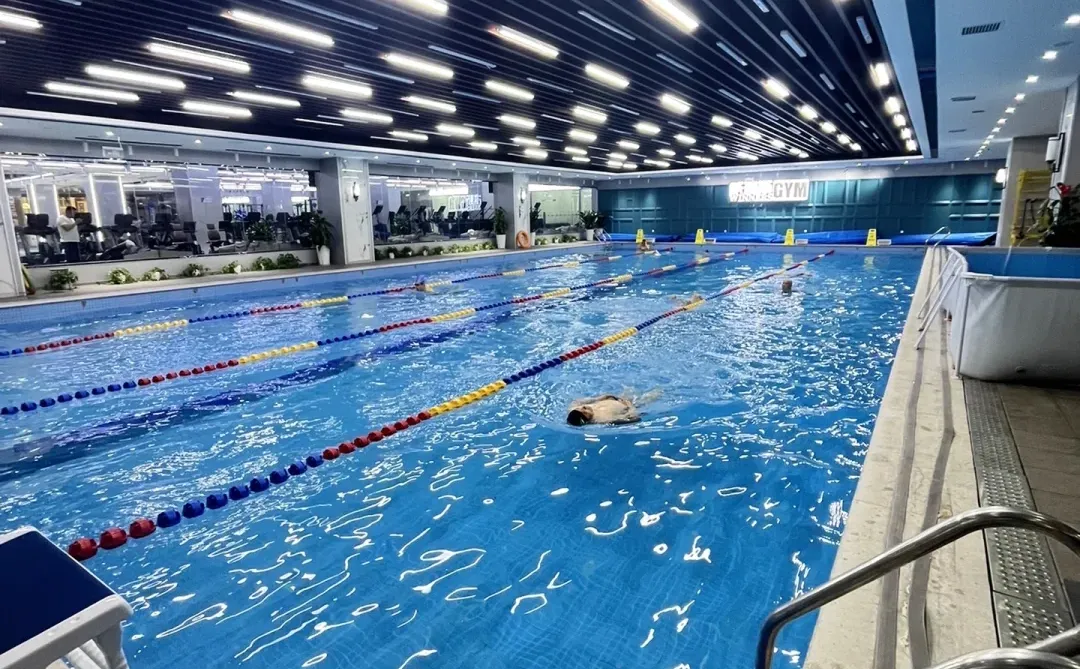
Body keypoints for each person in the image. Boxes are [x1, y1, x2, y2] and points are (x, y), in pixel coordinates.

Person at [566, 390, 662, 426]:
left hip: (617, 398)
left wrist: (598, 398)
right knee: (653, 395)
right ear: (586, 419)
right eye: (584, 411)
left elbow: (576, 402)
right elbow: (635, 418)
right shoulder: (604, 420)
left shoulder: (574, 410)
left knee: (630, 389)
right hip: (631, 404)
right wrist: (630, 406)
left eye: (581, 408)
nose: (583, 407)